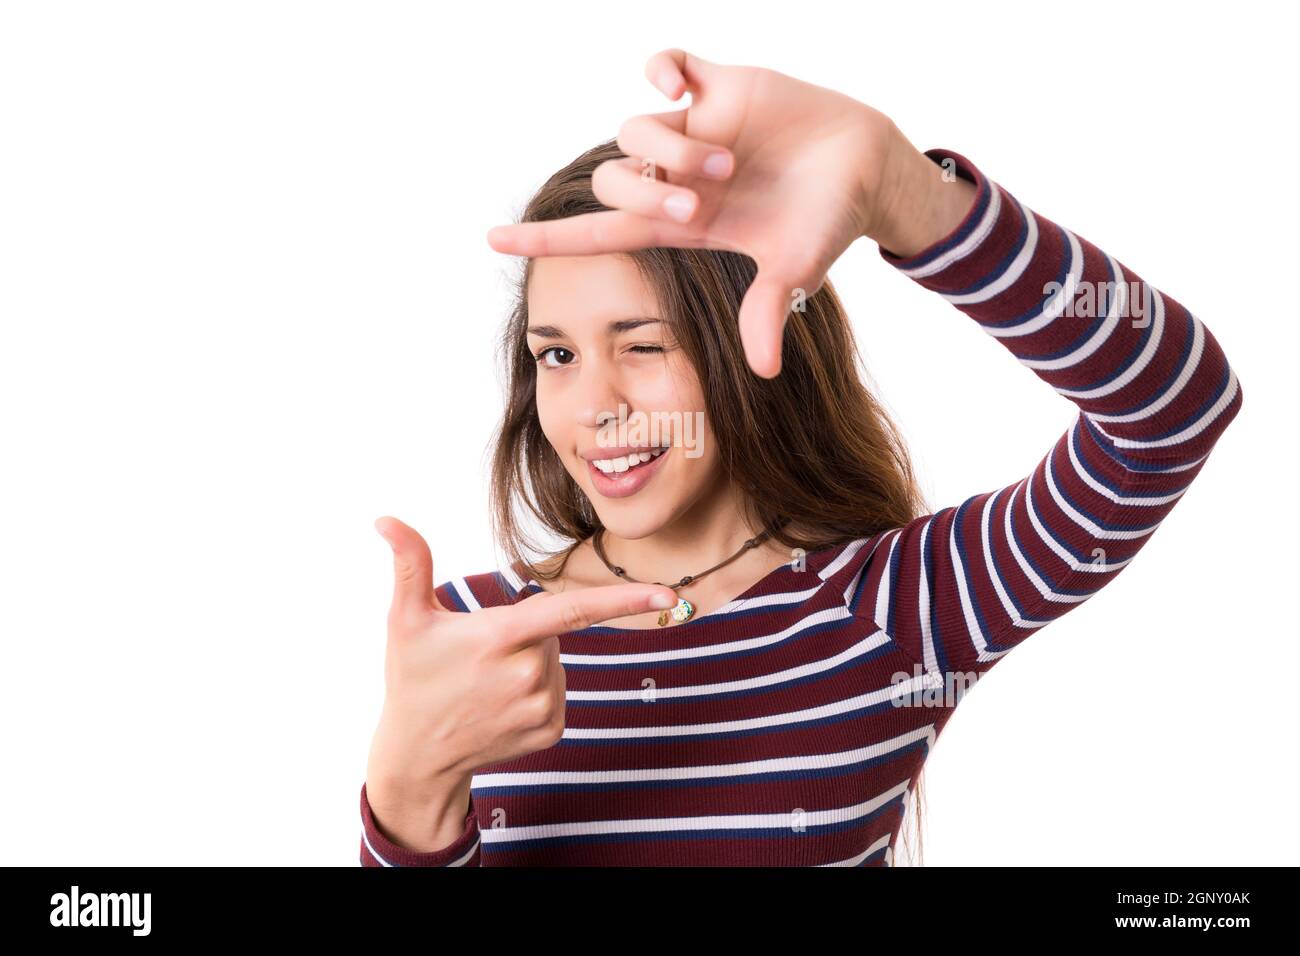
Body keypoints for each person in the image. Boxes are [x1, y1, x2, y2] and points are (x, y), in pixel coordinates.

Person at [360, 50, 1243, 866]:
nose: (595, 407)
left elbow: (1171, 410)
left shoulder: (894, 612)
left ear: (752, 338)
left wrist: (913, 199)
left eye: (643, 345)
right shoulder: (479, 639)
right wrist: (406, 793)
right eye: (558, 355)